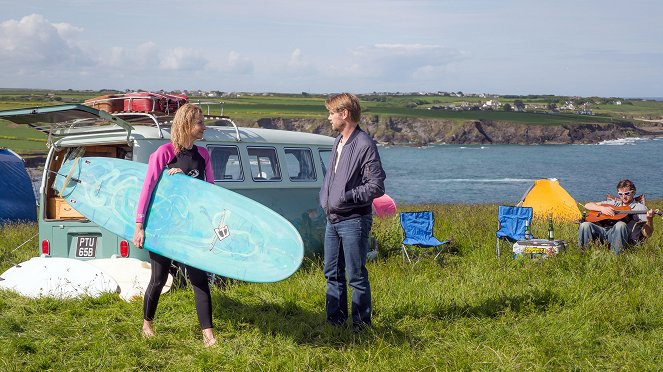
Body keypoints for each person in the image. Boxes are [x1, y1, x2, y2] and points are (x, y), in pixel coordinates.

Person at [132, 103, 217, 347]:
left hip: (191, 229)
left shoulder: (203, 155)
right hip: (163, 228)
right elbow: (148, 189)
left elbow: (209, 191)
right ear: (187, 125)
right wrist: (140, 225)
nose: (203, 127)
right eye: (199, 122)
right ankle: (147, 324)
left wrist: (210, 221)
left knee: (199, 279)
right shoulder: (164, 154)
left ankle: (208, 335)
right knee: (158, 279)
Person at [319, 93, 386, 332]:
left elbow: (376, 185)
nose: (329, 118)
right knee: (331, 273)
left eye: (331, 113)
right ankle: (335, 323)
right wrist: (327, 200)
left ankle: (361, 327)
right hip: (333, 219)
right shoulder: (339, 142)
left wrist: (346, 197)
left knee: (355, 275)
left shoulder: (364, 144)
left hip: (354, 220)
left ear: (344, 114)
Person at [578, 179, 655, 254]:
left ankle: (615, 258)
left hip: (625, 237)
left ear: (633, 192)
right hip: (605, 232)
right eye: (620, 194)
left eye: (627, 193)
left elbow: (647, 234)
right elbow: (587, 205)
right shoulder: (614, 203)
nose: (623, 197)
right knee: (585, 225)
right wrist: (601, 208)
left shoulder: (640, 208)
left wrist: (649, 219)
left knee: (620, 225)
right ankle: (583, 255)